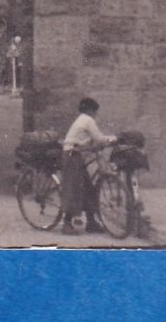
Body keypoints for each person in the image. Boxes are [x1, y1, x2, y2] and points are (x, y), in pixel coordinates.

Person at [59, 97, 115, 234]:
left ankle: (91, 222)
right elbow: (99, 138)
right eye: (95, 111)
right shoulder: (87, 120)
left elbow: (88, 140)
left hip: (75, 154)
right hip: (72, 155)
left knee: (88, 188)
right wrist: (113, 139)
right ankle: (66, 225)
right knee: (75, 189)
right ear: (90, 111)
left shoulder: (81, 119)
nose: (95, 114)